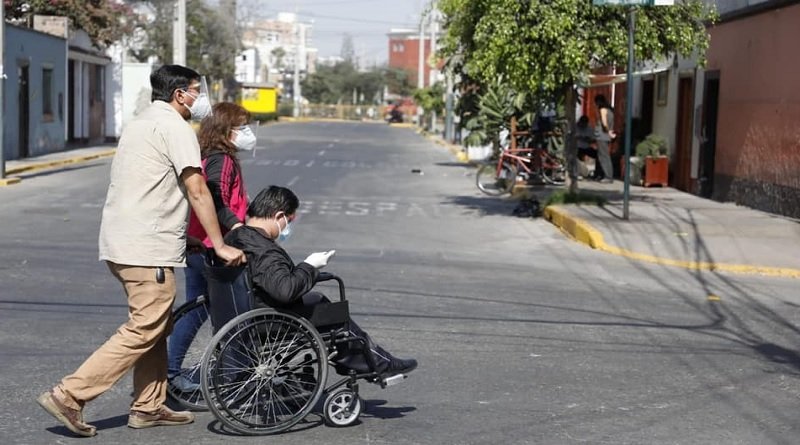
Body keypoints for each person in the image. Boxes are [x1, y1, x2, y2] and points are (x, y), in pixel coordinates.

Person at [36, 65, 246, 438]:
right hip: (147, 249)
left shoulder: (141, 122)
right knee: (145, 326)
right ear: (180, 94)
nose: (201, 99)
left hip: (126, 242)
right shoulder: (175, 127)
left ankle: (148, 405)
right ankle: (70, 394)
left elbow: (148, 189)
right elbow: (197, 190)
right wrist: (219, 243)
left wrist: (189, 239)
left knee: (156, 325)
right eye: (197, 90)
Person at [225, 185, 418, 379]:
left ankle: (369, 361)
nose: (286, 228)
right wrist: (310, 266)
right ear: (279, 216)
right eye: (288, 221)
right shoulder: (264, 250)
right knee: (332, 315)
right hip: (269, 321)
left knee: (318, 299)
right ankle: (379, 365)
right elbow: (285, 291)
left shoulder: (233, 238)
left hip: (238, 312)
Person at [167, 102, 256, 392]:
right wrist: (238, 226)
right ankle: (230, 371)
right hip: (211, 245)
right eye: (241, 127)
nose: (246, 132)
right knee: (223, 308)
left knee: (200, 307)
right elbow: (215, 198)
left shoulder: (207, 155)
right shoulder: (221, 160)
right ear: (224, 130)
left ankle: (178, 370)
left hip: (199, 242)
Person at [593, 94, 616, 183]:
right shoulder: (610, 110)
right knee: (604, 155)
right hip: (606, 136)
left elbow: (604, 123)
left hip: (602, 135)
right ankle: (604, 174)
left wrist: (608, 131)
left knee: (603, 156)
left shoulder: (602, 109)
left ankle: (608, 176)